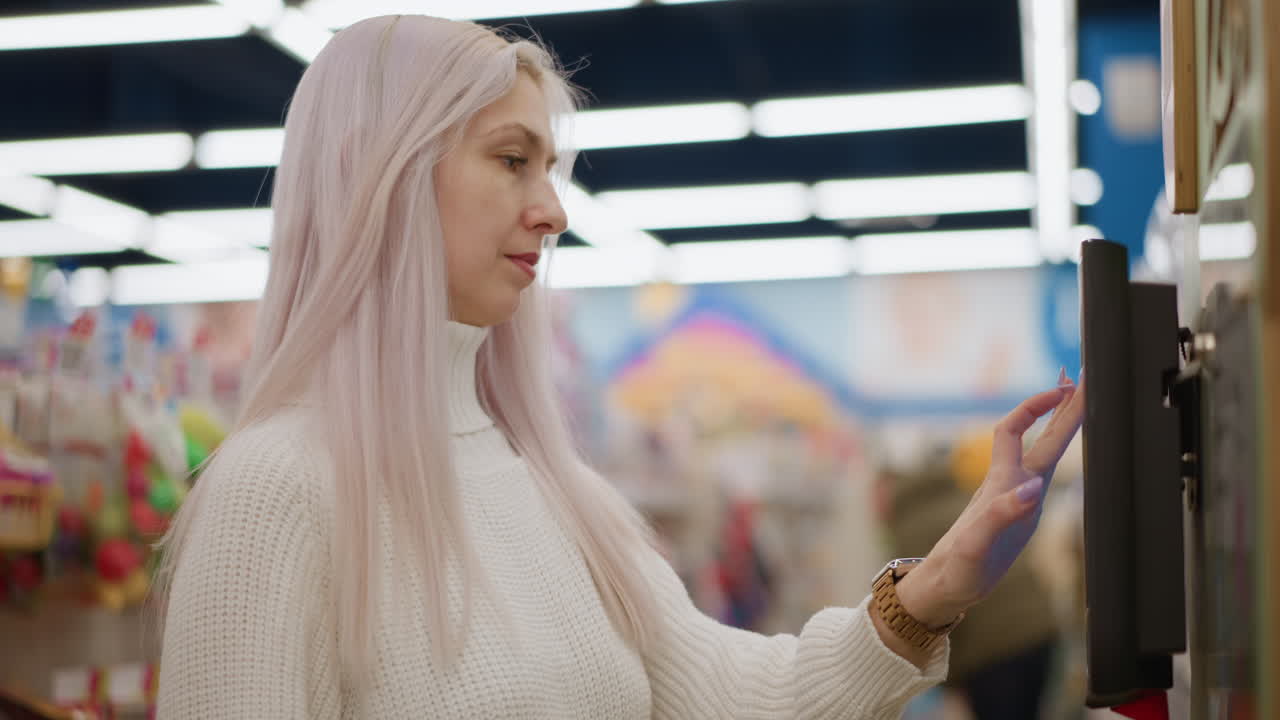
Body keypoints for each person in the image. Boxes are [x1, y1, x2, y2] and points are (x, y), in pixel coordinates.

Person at [152, 15, 1085, 719]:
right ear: (378, 177)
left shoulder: (554, 490)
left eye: (548, 167)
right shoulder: (275, 493)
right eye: (512, 160)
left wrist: (941, 583)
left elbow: (737, 694)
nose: (553, 210)